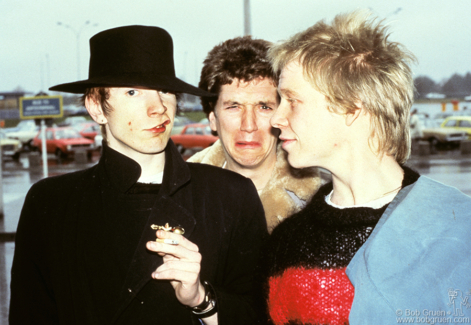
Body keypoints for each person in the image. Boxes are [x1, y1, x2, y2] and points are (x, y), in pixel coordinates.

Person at [10, 25, 268, 325]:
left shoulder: (230, 196)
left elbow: (259, 317)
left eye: (165, 90)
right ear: (96, 107)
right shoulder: (51, 204)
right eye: (133, 91)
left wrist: (201, 300)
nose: (158, 107)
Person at [262, 11, 471, 324]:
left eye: (292, 100)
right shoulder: (287, 243)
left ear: (352, 107)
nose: (275, 118)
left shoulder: (458, 229)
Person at [188, 36, 322, 233]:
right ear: (212, 119)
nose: (248, 125)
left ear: (281, 116)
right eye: (234, 107)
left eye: (264, 107)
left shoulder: (320, 200)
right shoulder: (178, 195)